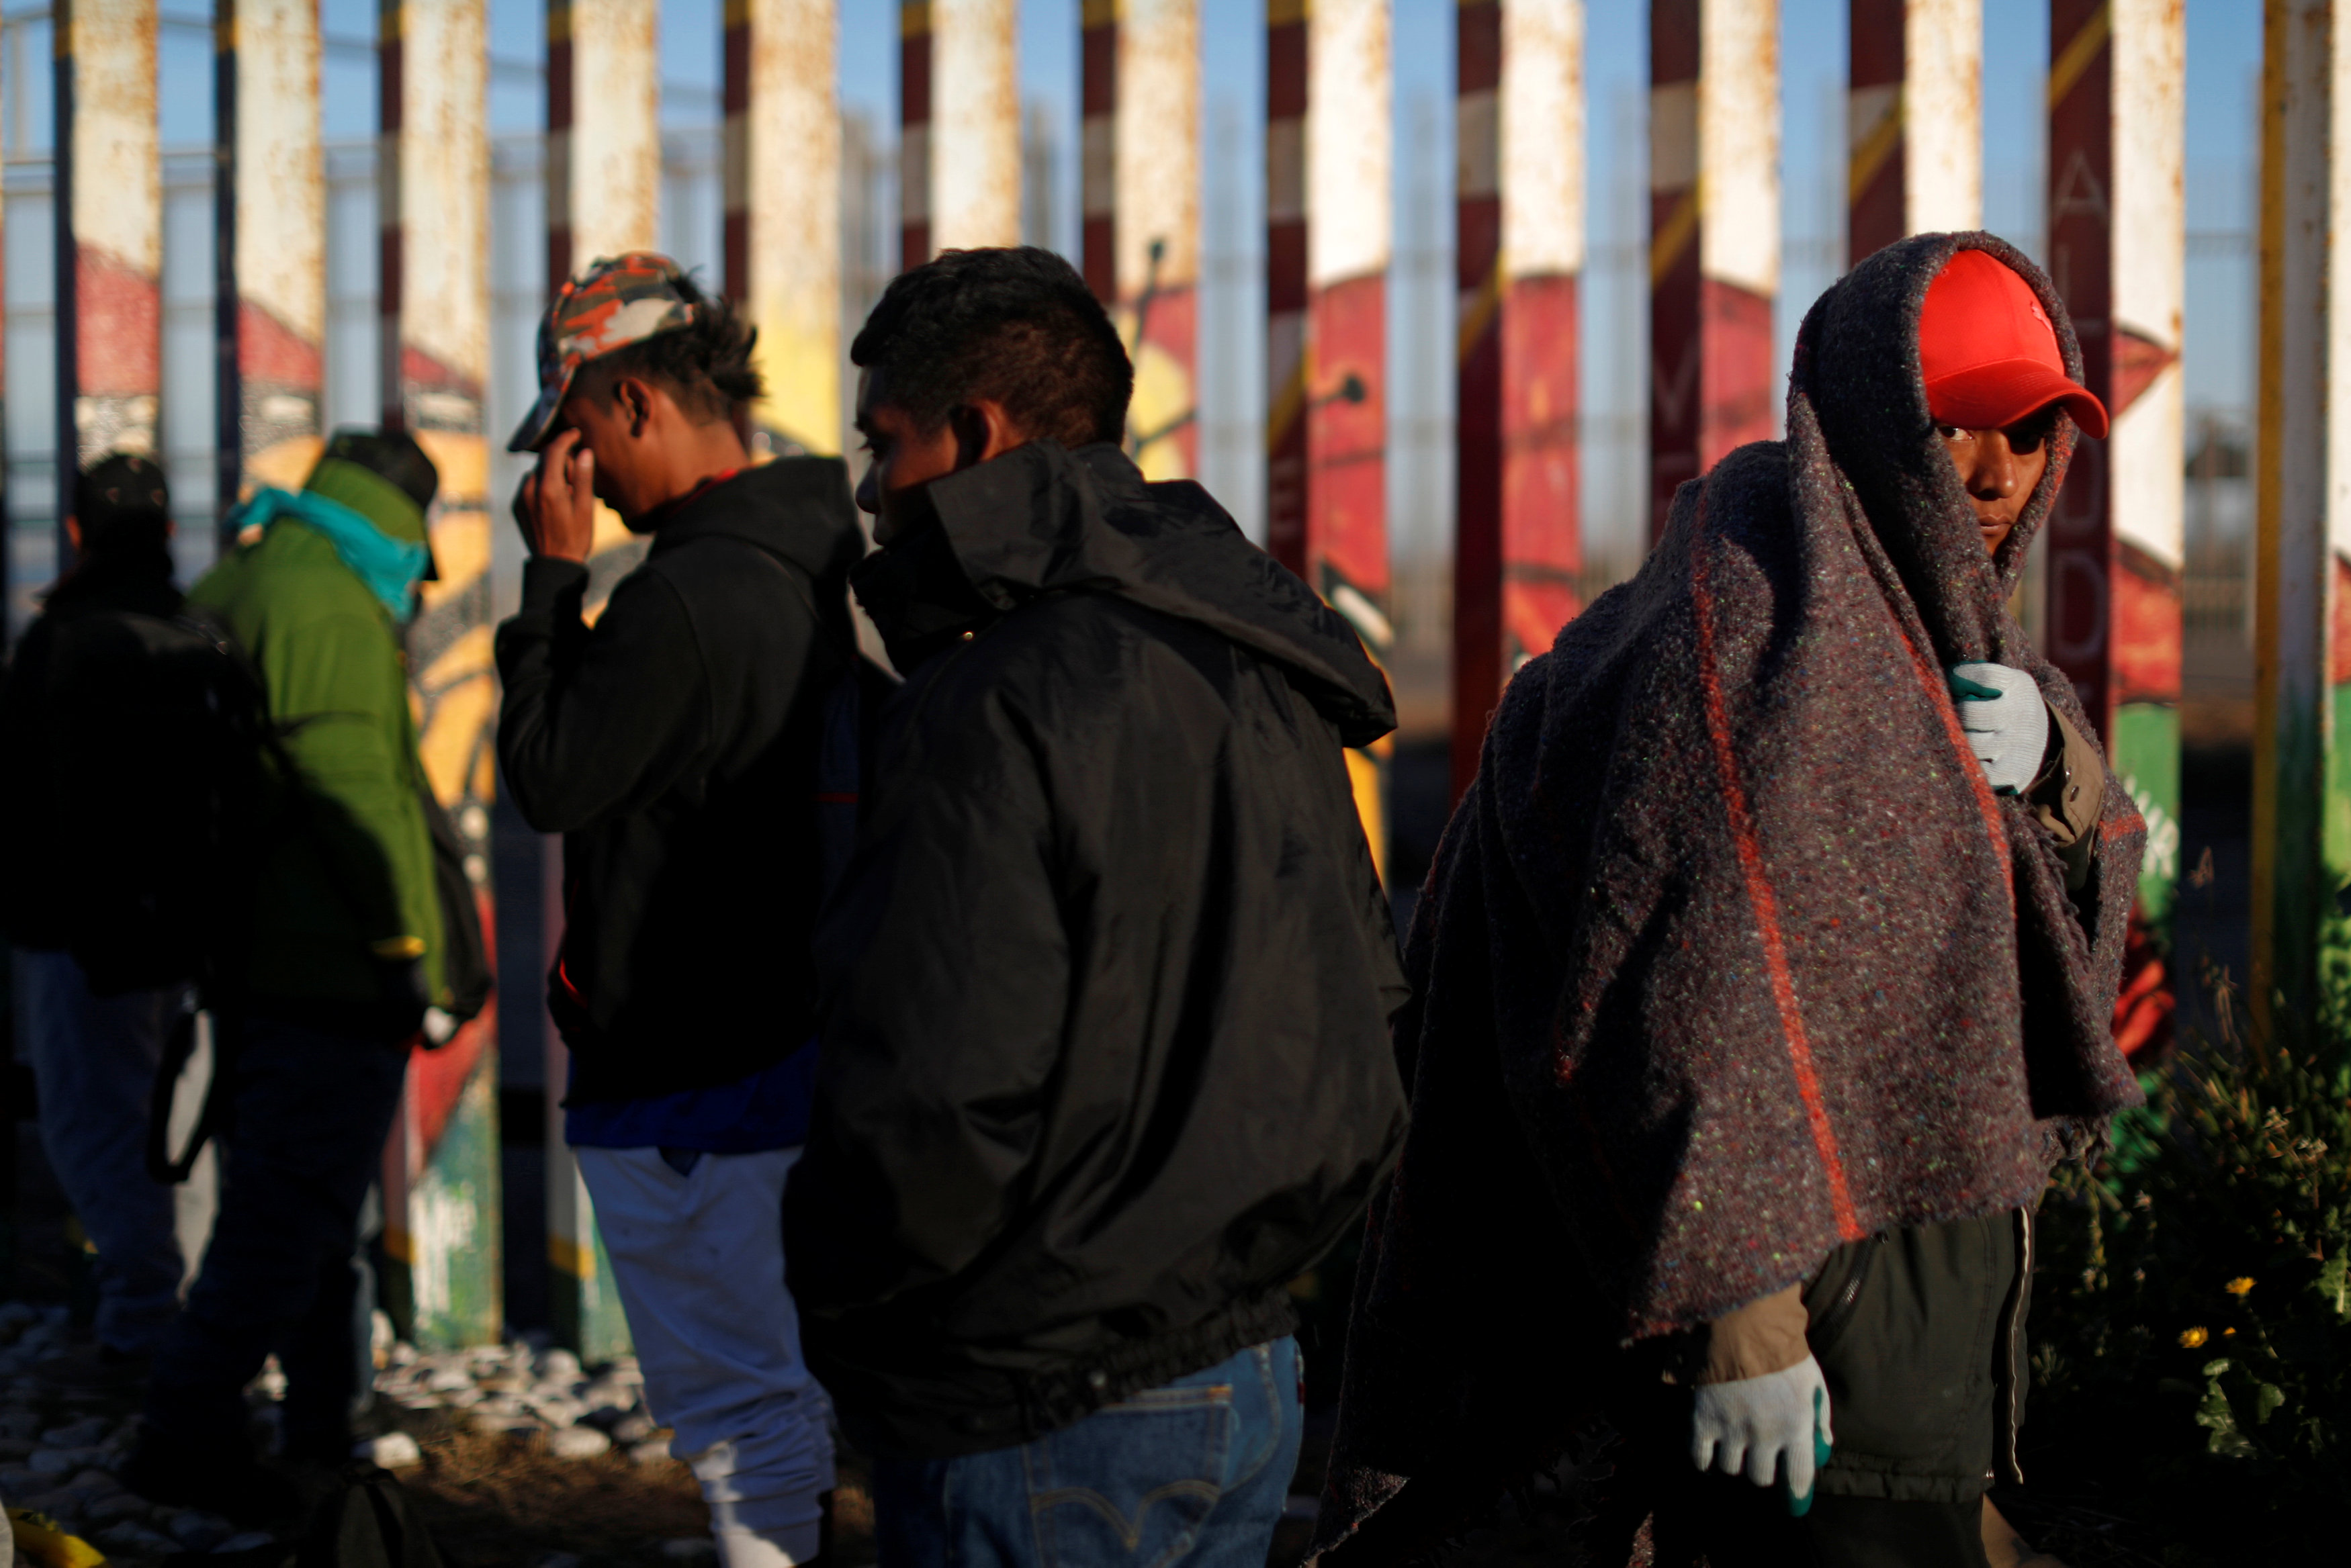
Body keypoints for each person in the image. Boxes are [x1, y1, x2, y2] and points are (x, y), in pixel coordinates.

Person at [1309, 234, 2145, 1568]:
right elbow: (1676, 969)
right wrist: (1741, 1316)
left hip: (1920, 1298)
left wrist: (2062, 773)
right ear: (1873, 417)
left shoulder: (1936, 627)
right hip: (1813, 1313)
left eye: (2030, 430)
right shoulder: (1757, 625)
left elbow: (2046, 946)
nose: (1993, 477)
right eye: (1952, 427)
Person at [783, 246, 1411, 1568]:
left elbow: (931, 1106)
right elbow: (1365, 1019)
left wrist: (853, 1332)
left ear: (971, 437)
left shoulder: (990, 704)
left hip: (1035, 1406)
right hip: (1240, 1372)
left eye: (881, 443)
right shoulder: (1263, 667)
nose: (868, 492)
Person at [497, 252, 864, 1568]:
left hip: (689, 1090)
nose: (572, 473)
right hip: (788, 1053)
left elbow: (546, 774)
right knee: (792, 1409)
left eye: (578, 434)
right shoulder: (820, 557)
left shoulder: (684, 601)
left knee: (738, 1423)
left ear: (635, 407)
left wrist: (551, 582)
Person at [123, 428, 453, 1518]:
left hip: (261, 955)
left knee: (309, 1208)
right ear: (400, 527)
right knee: (284, 1218)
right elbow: (357, 790)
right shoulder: (331, 602)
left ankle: (317, 1419)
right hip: (328, 965)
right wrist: (412, 950)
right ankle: (185, 1431)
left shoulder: (259, 566)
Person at [0, 453, 215, 1391]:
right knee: (184, 1132)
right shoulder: (197, 632)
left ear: (79, 532)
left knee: (95, 1130)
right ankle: (189, 1322)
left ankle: (138, 1331)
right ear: (167, 533)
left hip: (73, 934)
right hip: (188, 931)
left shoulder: (60, 641)